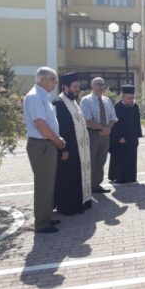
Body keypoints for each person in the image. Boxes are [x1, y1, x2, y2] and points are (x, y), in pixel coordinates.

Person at [23, 67, 66, 233]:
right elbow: (41, 126)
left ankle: (46, 217)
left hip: (46, 144)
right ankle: (41, 223)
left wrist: (56, 140)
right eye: (53, 79)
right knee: (43, 184)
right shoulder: (35, 97)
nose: (56, 82)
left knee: (48, 184)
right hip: (41, 145)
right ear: (43, 79)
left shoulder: (43, 96)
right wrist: (58, 141)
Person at [52, 73, 92, 216]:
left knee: (77, 176)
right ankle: (68, 207)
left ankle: (82, 201)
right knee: (68, 178)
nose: (77, 90)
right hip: (68, 149)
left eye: (78, 87)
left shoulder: (74, 102)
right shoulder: (58, 103)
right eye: (75, 87)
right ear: (65, 87)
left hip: (80, 149)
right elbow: (57, 130)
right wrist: (62, 149)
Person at [80, 77, 118, 193]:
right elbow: (87, 119)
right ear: (92, 86)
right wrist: (103, 128)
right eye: (98, 84)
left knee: (101, 160)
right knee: (90, 160)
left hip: (105, 134)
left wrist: (108, 129)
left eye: (102, 84)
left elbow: (113, 118)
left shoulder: (107, 100)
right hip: (92, 133)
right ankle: (87, 186)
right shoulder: (86, 100)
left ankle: (96, 185)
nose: (101, 87)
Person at [108, 85, 143, 184]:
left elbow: (137, 121)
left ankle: (131, 177)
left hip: (132, 137)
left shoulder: (135, 106)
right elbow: (114, 123)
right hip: (121, 138)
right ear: (123, 97)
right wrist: (118, 137)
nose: (131, 100)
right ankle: (119, 177)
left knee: (132, 158)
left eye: (132, 98)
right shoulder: (117, 107)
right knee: (120, 158)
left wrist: (137, 135)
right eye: (129, 98)